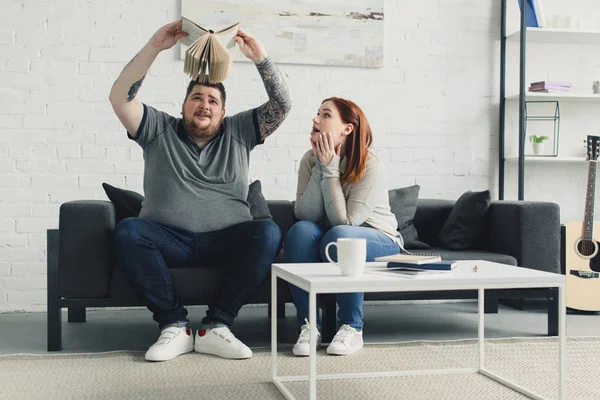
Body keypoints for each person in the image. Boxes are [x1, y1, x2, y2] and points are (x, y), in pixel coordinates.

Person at [108, 19, 291, 362]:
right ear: (183, 106)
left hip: (227, 240)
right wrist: (155, 46)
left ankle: (216, 327)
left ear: (224, 112)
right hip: (168, 239)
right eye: (196, 97)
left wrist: (261, 58)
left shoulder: (240, 132)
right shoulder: (157, 129)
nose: (204, 104)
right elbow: (120, 97)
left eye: (212, 100)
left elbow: (282, 105)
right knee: (129, 231)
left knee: (266, 232)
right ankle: (173, 325)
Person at [286, 97, 401, 356]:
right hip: (333, 234)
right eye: (317, 113)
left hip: (379, 238)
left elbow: (346, 222)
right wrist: (320, 167)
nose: (315, 119)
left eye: (325, 115)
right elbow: (304, 214)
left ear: (347, 128)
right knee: (300, 231)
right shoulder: (309, 159)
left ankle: (352, 327)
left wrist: (329, 170)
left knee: (341, 237)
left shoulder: (370, 165)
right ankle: (309, 325)